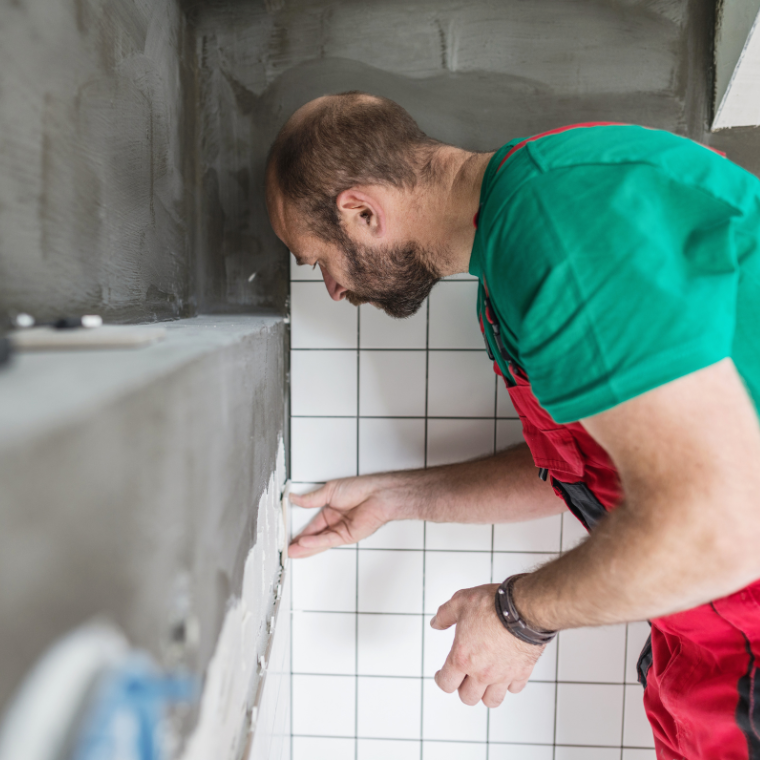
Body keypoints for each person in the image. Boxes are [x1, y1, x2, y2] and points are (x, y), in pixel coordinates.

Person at [265, 91, 760, 760]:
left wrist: (517, 616)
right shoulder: (514, 247)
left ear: (361, 211)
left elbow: (719, 528)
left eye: (320, 259)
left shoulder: (560, 229)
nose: (332, 287)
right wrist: (397, 498)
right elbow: (596, 462)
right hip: (705, 642)